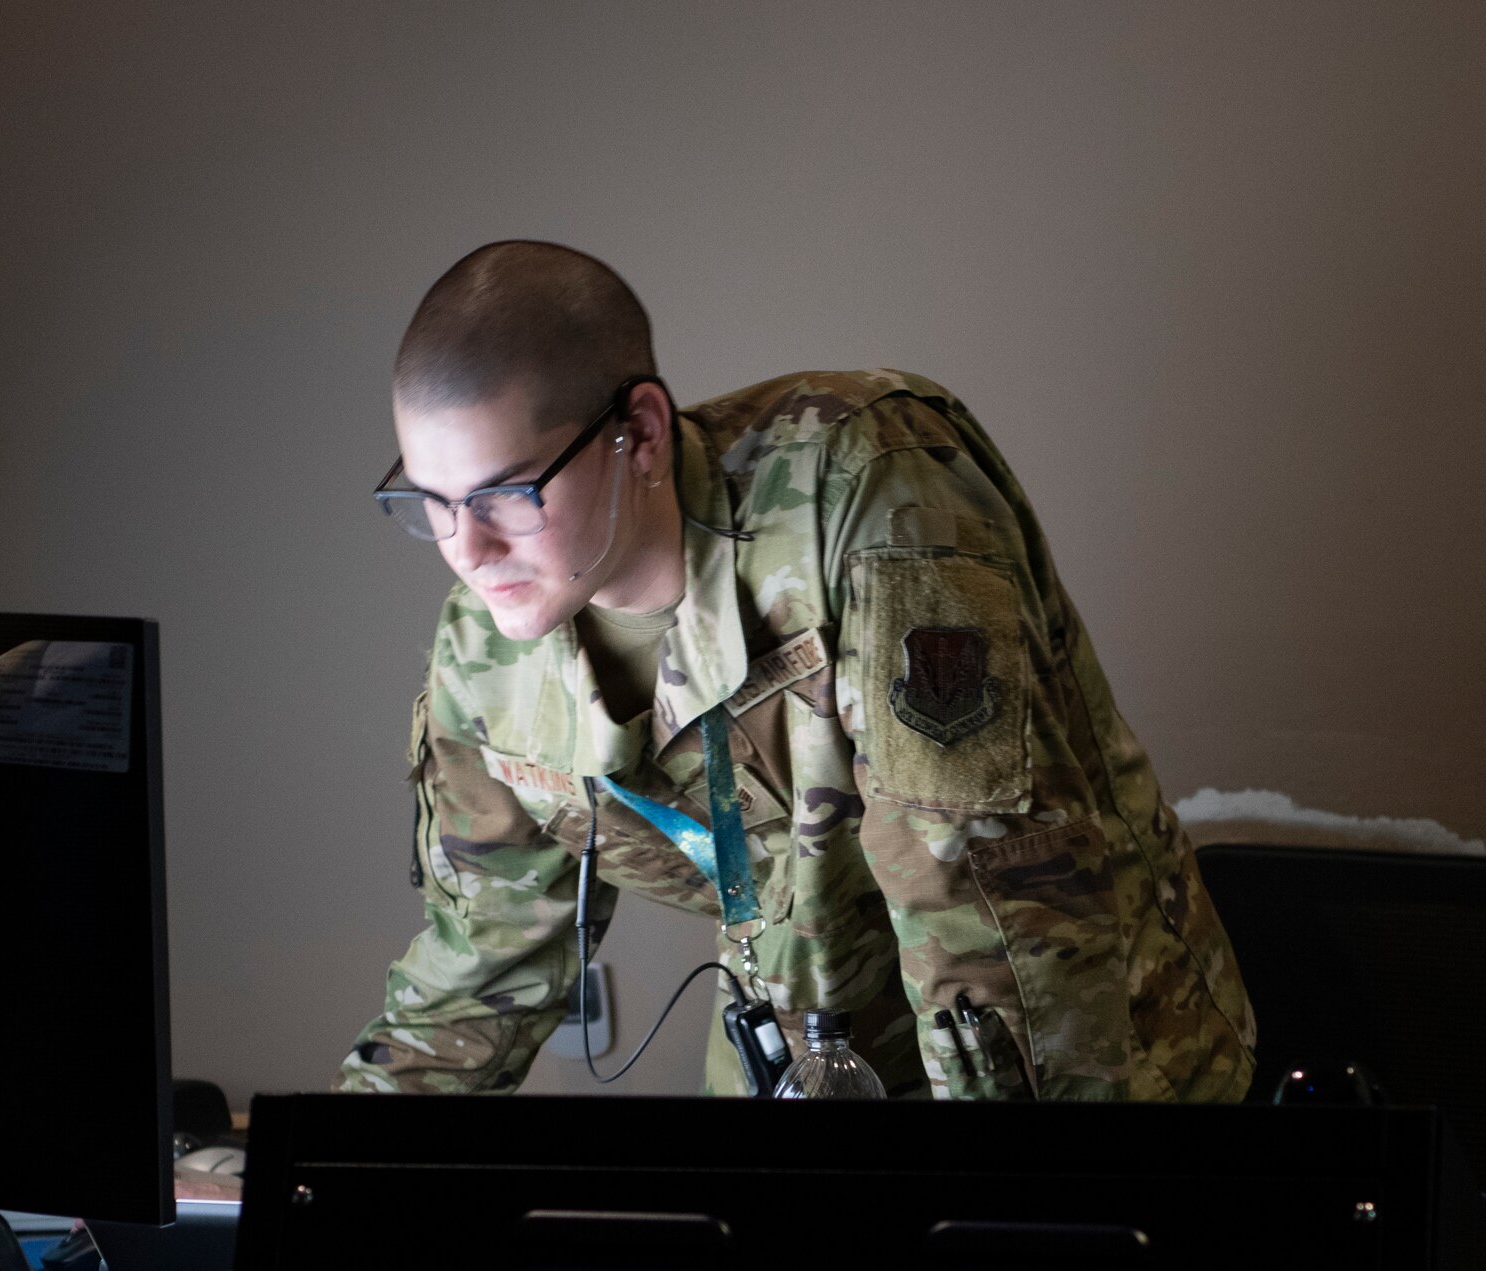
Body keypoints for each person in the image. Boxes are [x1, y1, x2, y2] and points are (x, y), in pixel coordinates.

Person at [337, 241, 1255, 1100]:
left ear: (641, 432)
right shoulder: (485, 651)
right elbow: (479, 965)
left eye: (507, 492)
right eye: (430, 500)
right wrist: (309, 1186)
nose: (468, 548)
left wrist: (1002, 1209)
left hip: (1080, 1046)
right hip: (801, 1040)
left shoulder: (868, 490)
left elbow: (984, 904)